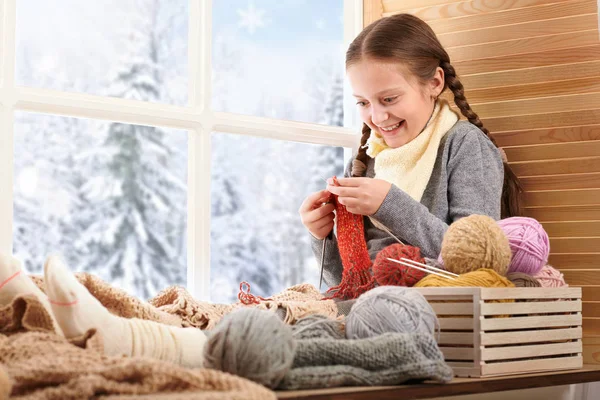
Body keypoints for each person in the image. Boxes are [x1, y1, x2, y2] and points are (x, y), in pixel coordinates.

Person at [299, 13, 521, 289]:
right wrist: (321, 238)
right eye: (363, 103)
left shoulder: (464, 145)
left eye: (389, 99)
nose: (377, 117)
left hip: (433, 315)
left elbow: (479, 261)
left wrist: (390, 205)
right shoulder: (365, 161)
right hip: (364, 313)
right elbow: (344, 287)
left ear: (435, 83)